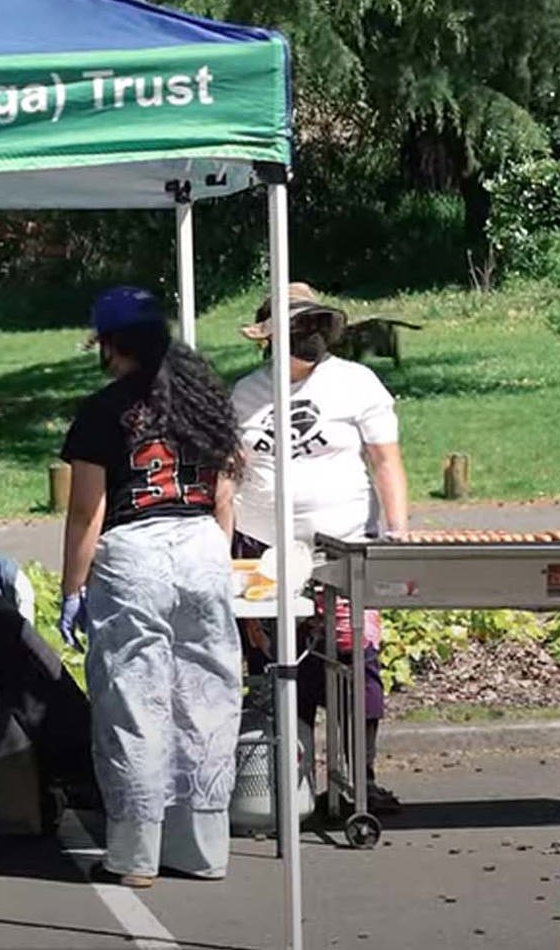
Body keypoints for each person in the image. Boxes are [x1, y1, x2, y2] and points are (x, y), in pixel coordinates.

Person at [57, 287, 243, 888]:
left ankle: (136, 854)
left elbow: (87, 510)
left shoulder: (103, 409)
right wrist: (217, 556)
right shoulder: (204, 398)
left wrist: (72, 588)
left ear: (110, 344)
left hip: (133, 552)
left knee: (134, 706)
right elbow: (223, 496)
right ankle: (203, 847)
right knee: (207, 700)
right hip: (202, 545)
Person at [230, 282, 409, 812]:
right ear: (270, 338)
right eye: (296, 329)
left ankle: (360, 778)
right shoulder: (244, 394)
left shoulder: (357, 383)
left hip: (345, 545)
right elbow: (228, 473)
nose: (310, 339)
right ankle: (293, 778)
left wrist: (396, 534)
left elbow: (385, 460)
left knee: (356, 659)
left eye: (315, 327)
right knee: (279, 664)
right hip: (264, 548)